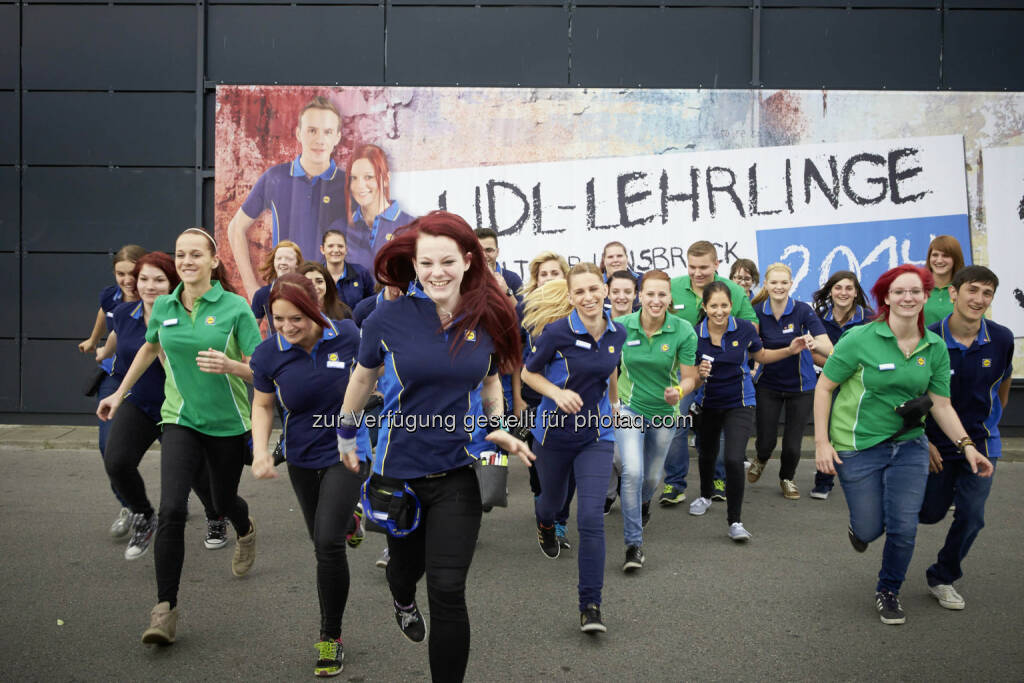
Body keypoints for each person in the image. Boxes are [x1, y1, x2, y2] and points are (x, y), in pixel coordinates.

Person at [335, 211, 533, 683]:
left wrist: (499, 428)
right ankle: (401, 597)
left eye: (447, 261)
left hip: (459, 472)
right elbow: (363, 377)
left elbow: (490, 386)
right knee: (406, 571)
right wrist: (345, 432)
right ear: (415, 264)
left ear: (468, 261)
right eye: (426, 263)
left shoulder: (489, 317)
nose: (436, 272)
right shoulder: (388, 317)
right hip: (399, 472)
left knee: (447, 590)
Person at [97, 227, 263, 645]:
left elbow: (260, 369)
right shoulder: (165, 307)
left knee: (221, 501)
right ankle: (164, 610)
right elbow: (150, 348)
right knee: (172, 510)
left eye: (195, 255)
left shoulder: (235, 307)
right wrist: (119, 393)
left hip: (226, 422)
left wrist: (231, 366)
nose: (187, 261)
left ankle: (243, 528)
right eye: (181, 255)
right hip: (179, 419)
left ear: (214, 262)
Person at [814, 264, 993, 625]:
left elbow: (941, 404)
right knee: (869, 529)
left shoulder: (935, 346)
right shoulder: (859, 338)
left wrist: (967, 446)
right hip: (857, 446)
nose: (907, 298)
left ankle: (888, 590)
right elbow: (824, 387)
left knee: (904, 525)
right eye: (899, 292)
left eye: (915, 291)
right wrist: (821, 442)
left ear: (926, 296)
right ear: (886, 298)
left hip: (909, 444)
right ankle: (861, 527)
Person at [249, 274, 370, 677]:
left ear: (315, 309)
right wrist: (260, 451)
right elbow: (264, 406)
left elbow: (377, 375)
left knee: (326, 544)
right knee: (322, 537)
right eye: (278, 319)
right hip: (301, 455)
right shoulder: (268, 354)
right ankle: (351, 519)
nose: (286, 327)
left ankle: (330, 637)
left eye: (296, 318)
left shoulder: (350, 335)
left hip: (349, 450)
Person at [521, 262, 625, 633]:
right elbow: (527, 373)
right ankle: (546, 523)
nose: (588, 297)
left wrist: (613, 403)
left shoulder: (618, 332)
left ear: (605, 290)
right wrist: (556, 392)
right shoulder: (556, 333)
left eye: (594, 289)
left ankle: (590, 605)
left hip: (596, 434)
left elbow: (610, 366)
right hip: (552, 435)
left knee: (591, 518)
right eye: (579, 292)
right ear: (570, 297)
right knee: (551, 501)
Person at [96, 252, 220, 560]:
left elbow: (187, 369)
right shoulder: (125, 313)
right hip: (140, 403)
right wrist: (103, 361)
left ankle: (217, 516)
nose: (150, 286)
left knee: (196, 474)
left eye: (159, 279)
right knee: (117, 461)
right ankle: (143, 515)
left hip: (178, 407)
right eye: (144, 279)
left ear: (173, 282)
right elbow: (120, 346)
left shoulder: (188, 317)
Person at [918, 266, 1012, 612]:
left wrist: (992, 423)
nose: (979, 299)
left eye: (987, 294)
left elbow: (1003, 385)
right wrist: (922, 441)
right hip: (936, 445)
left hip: (983, 442)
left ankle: (942, 576)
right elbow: (915, 395)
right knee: (929, 513)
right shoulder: (928, 338)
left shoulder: (1001, 338)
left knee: (972, 515)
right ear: (953, 293)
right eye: (972, 290)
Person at [689, 281, 812, 541]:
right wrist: (699, 374)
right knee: (707, 453)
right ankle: (705, 495)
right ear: (705, 307)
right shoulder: (694, 333)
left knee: (733, 459)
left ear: (731, 306)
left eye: (724, 305)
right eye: (714, 306)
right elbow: (689, 376)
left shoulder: (744, 328)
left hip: (740, 402)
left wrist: (790, 350)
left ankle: (735, 522)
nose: (719, 311)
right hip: (708, 402)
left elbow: (762, 356)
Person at [659, 241, 757, 507]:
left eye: (703, 267)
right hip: (683, 373)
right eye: (692, 267)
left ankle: (718, 479)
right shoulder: (674, 287)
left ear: (716, 264)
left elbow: (753, 327)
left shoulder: (734, 291)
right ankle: (674, 484)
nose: (697, 272)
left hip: (721, 376)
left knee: (719, 432)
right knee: (676, 425)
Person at [613, 270, 698, 571]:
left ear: (670, 297)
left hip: (665, 414)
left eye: (662, 294)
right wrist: (612, 403)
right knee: (632, 472)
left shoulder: (684, 330)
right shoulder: (621, 327)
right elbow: (608, 368)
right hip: (629, 410)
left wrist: (678, 391)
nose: (656, 300)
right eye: (650, 294)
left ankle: (644, 502)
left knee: (650, 478)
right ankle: (633, 545)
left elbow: (690, 377)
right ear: (639, 295)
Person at [227, 96, 347, 298]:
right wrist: (251, 288)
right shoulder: (276, 177)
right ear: (299, 134)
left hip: (333, 298)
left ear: (337, 137)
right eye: (312, 130)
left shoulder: (349, 183)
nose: (319, 139)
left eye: (327, 132)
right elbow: (235, 228)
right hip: (286, 297)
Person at [747, 263, 833, 500]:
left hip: (801, 386)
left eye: (784, 282)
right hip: (768, 384)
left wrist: (816, 344)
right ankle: (762, 458)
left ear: (791, 284)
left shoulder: (802, 310)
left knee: (793, 444)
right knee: (765, 440)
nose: (779, 287)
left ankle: (787, 478)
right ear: (766, 284)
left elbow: (829, 347)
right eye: (773, 282)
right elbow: (749, 345)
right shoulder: (756, 311)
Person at [80, 244, 145, 537]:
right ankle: (131, 507)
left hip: (150, 379)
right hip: (115, 377)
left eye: (133, 273)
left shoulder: (156, 296)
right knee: (109, 449)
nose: (128, 279)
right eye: (121, 273)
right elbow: (105, 315)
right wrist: (96, 341)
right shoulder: (110, 296)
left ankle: (180, 501)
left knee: (180, 447)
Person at [515, 252, 573, 547]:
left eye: (555, 273)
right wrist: (517, 400)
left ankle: (558, 523)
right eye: (544, 274)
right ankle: (545, 508)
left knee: (569, 466)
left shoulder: (576, 309)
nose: (549, 278)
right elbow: (514, 360)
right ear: (535, 279)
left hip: (570, 403)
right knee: (538, 466)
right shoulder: (523, 310)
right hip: (532, 400)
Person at [808, 270, 874, 499]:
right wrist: (839, 369)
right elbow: (813, 353)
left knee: (859, 430)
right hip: (829, 382)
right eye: (838, 288)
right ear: (830, 291)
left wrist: (846, 369)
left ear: (856, 292)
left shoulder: (869, 319)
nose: (843, 292)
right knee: (827, 429)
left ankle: (864, 479)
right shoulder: (818, 317)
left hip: (861, 384)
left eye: (848, 288)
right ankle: (824, 481)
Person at [343, 144, 415, 273]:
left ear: (386, 179)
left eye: (368, 177)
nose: (359, 185)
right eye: (354, 178)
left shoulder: (412, 227)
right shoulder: (340, 229)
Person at [250, 241, 303, 334]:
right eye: (279, 258)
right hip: (277, 347)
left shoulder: (307, 291)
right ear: (274, 262)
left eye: (288, 259)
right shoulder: (262, 295)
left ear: (297, 263)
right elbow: (250, 332)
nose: (283, 262)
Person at [319, 229, 375, 312]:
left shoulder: (361, 273)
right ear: (322, 249)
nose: (336, 250)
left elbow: (372, 304)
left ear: (346, 249)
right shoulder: (315, 275)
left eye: (340, 246)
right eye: (330, 246)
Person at [923, 235, 965, 327]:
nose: (939, 260)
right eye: (935, 255)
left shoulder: (965, 290)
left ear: (955, 259)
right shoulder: (918, 288)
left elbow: (979, 324)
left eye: (945, 256)